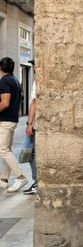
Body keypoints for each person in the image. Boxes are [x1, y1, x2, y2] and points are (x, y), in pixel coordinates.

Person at [0, 57, 27, 192]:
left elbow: (5, 103)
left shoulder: (4, 81)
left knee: (3, 150)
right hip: (12, 119)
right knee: (7, 150)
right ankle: (4, 179)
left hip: (5, 120)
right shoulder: (15, 80)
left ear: (1, 68)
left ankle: (20, 176)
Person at [23, 59, 37, 195]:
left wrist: (29, 124)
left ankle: (37, 181)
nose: (33, 67)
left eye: (34, 65)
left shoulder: (37, 82)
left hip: (36, 124)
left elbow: (34, 102)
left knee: (32, 154)